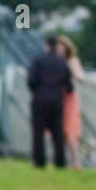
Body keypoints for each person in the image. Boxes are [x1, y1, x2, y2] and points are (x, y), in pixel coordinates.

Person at [27, 36, 73, 168]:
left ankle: (39, 161)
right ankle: (60, 161)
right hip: (57, 100)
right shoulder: (62, 62)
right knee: (57, 132)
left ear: (46, 45)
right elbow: (69, 85)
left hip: (40, 100)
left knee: (38, 132)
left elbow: (31, 80)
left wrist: (36, 92)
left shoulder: (38, 60)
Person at [56, 34, 85, 170]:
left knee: (71, 132)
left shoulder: (72, 61)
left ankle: (76, 162)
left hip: (69, 99)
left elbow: (80, 76)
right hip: (56, 98)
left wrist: (68, 70)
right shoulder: (54, 60)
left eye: (62, 46)